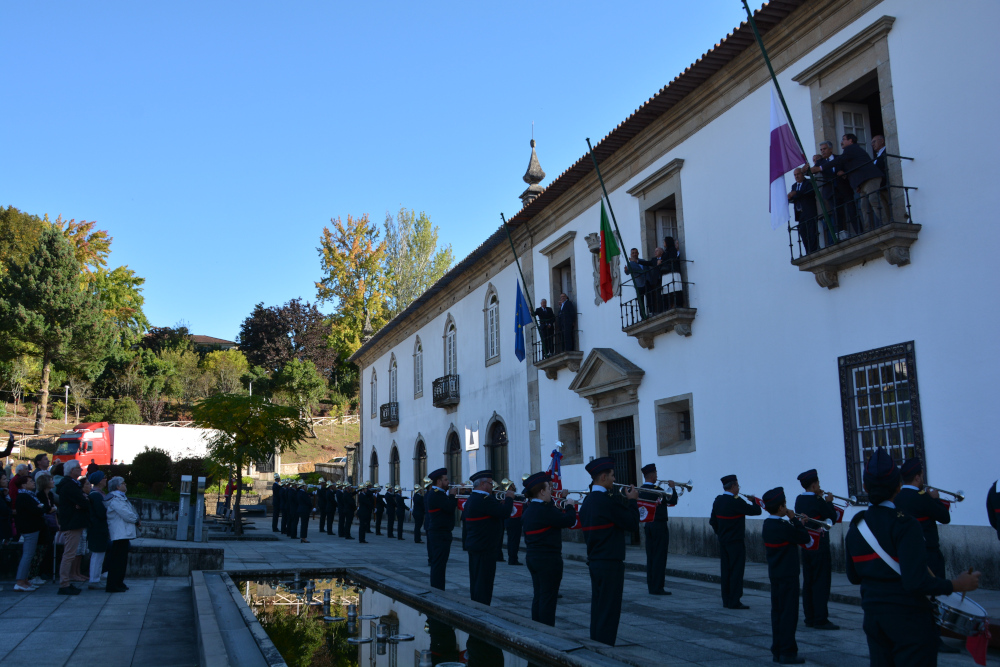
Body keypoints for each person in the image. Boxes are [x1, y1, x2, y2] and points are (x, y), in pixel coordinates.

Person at [846, 447, 979, 666]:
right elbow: (916, 581)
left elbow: (853, 576)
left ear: (864, 487)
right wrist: (956, 584)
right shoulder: (906, 524)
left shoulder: (857, 526)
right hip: (908, 619)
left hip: (874, 618)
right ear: (898, 487)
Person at [894, 457, 957, 654]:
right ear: (918, 477)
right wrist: (935, 499)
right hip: (929, 552)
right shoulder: (922, 497)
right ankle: (934, 638)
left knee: (913, 596)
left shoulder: (898, 498)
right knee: (934, 597)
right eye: (922, 475)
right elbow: (945, 518)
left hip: (906, 553)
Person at [578, 457, 639, 646]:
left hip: (595, 560)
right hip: (609, 562)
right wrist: (633, 502)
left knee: (599, 607)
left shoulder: (587, 502)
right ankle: (605, 648)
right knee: (609, 610)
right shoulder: (606, 501)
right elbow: (631, 523)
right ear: (603, 477)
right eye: (612, 475)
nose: (614, 479)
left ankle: (596, 643)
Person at [761, 487, 810, 665]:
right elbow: (803, 538)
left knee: (778, 613)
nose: (787, 508)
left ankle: (777, 649)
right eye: (785, 505)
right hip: (788, 575)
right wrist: (796, 521)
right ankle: (788, 652)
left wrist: (794, 522)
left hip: (775, 574)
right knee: (789, 614)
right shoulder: (782, 526)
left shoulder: (768, 525)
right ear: (781, 508)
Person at [522, 471, 577, 626]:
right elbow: (568, 520)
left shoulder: (529, 510)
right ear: (541, 491)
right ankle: (547, 631)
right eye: (549, 487)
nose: (552, 490)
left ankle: (536, 626)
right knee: (548, 598)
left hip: (533, 558)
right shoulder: (545, 510)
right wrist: (570, 505)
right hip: (548, 560)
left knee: (539, 595)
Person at [793, 469, 839, 631]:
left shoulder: (799, 500)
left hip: (807, 544)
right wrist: (829, 501)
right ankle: (821, 618)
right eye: (818, 483)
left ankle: (809, 617)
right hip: (820, 544)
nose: (820, 486)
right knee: (821, 581)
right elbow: (832, 518)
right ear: (814, 485)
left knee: (809, 580)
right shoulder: (818, 501)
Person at [709, 474, 762, 609]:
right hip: (736, 542)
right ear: (733, 486)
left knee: (726, 571)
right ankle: (734, 600)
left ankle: (726, 599)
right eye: (737, 485)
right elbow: (756, 511)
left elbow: (712, 521)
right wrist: (754, 501)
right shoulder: (736, 502)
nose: (738, 488)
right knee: (736, 571)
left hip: (723, 541)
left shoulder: (718, 501)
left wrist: (720, 533)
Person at [814, 133, 885, 233]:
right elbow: (852, 167)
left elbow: (840, 160)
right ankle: (867, 229)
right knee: (864, 206)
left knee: (874, 200)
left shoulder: (851, 149)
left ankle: (886, 223)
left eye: (844, 139)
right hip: (862, 182)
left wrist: (820, 168)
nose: (841, 142)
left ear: (850, 141)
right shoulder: (851, 153)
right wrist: (857, 184)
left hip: (870, 178)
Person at [463, 470, 513, 605]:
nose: (492, 487)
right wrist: (509, 498)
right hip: (485, 547)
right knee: (484, 582)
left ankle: (476, 605)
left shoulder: (473, 499)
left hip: (477, 545)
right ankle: (482, 609)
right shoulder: (484, 499)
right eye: (491, 484)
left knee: (477, 579)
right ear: (483, 484)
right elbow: (504, 513)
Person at [638, 463, 677, 595]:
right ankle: (658, 587)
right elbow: (673, 501)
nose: (657, 475)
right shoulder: (657, 490)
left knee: (651, 556)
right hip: (659, 526)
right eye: (656, 473)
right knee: (660, 556)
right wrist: (672, 488)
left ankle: (651, 585)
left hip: (648, 525)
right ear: (653, 475)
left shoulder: (641, 489)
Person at [56, 460, 90, 595]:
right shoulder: (70, 485)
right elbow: (84, 501)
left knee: (70, 553)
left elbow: (83, 502)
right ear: (71, 471)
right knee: (69, 554)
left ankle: (66, 582)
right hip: (72, 523)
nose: (81, 470)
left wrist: (83, 503)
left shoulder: (70, 484)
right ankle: (64, 583)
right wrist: (83, 503)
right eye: (78, 468)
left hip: (73, 522)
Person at [425, 467, 459, 590]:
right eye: (445, 479)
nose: (448, 482)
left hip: (441, 532)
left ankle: (438, 587)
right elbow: (449, 507)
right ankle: (437, 588)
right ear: (439, 481)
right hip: (439, 533)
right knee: (438, 564)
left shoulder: (438, 494)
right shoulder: (435, 494)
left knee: (440, 563)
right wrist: (453, 496)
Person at [104, 476, 139, 593]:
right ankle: (113, 584)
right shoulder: (115, 498)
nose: (125, 485)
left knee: (122, 560)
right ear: (118, 486)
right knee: (117, 561)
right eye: (123, 483)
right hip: (119, 533)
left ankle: (119, 582)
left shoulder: (120, 497)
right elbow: (126, 513)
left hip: (123, 533)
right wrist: (136, 520)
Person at [13, 474, 46, 591]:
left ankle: (25, 580)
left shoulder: (27, 496)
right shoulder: (24, 496)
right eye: (30, 481)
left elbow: (40, 508)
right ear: (23, 485)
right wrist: (40, 507)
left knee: (29, 555)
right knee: (27, 555)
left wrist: (40, 507)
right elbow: (37, 509)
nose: (33, 483)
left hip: (31, 528)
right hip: (29, 528)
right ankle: (20, 581)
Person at [86, 471, 110, 591]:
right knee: (97, 554)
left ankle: (96, 578)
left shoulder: (97, 494)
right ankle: (94, 580)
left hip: (98, 527)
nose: (106, 479)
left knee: (99, 554)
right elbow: (101, 512)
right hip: (98, 528)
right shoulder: (96, 495)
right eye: (104, 478)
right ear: (100, 480)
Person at [788, 167, 819, 254]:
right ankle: (808, 251)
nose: (796, 176)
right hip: (800, 214)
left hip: (809, 211)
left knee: (812, 232)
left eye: (798, 174)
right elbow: (794, 197)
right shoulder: (794, 186)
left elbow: (809, 192)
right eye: (795, 175)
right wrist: (789, 197)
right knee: (803, 233)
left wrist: (796, 193)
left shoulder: (809, 182)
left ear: (802, 174)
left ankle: (813, 251)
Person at [623, 248, 650, 320]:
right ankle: (643, 316)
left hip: (646, 282)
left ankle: (650, 312)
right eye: (633, 253)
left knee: (649, 298)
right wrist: (626, 270)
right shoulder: (630, 264)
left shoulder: (642, 261)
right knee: (641, 301)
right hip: (638, 284)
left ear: (638, 253)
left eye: (635, 252)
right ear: (631, 255)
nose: (634, 254)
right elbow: (628, 272)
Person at [659, 237, 684, 310]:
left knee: (675, 289)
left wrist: (661, 262)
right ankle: (669, 305)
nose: (663, 243)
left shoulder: (672, 250)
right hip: (667, 273)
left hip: (672, 271)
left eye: (664, 242)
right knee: (667, 290)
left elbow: (671, 259)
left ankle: (677, 304)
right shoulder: (666, 251)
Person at [505, 484, 523, 566]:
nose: (515, 487)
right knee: (514, 541)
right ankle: (513, 559)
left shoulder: (515, 497)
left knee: (511, 541)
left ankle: (512, 558)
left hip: (511, 522)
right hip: (514, 522)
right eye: (512, 486)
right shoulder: (509, 498)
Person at [0, 471, 11, 548]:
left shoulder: (3, 492)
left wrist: (6, 495)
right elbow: (4, 510)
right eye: (4, 479)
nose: (7, 481)